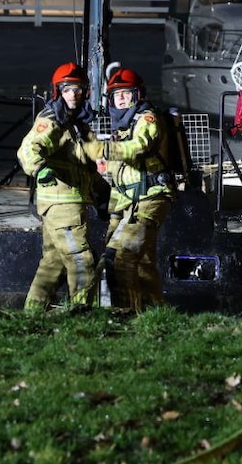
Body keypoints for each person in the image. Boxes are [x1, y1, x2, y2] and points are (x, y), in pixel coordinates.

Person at [17, 61, 105, 312]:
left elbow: (84, 167)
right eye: (67, 89)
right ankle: (83, 316)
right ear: (58, 91)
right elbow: (28, 149)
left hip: (69, 200)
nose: (73, 95)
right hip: (62, 202)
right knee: (81, 260)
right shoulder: (53, 119)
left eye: (77, 89)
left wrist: (103, 194)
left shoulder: (77, 124)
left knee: (53, 262)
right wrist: (39, 169)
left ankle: (32, 314)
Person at [97, 66, 173, 311]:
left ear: (137, 95)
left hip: (152, 197)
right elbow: (121, 180)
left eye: (126, 93)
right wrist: (114, 218)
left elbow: (138, 147)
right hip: (131, 202)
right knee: (143, 263)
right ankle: (154, 313)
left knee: (123, 257)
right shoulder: (121, 130)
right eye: (116, 94)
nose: (120, 98)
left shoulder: (146, 120)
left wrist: (101, 150)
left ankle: (126, 313)